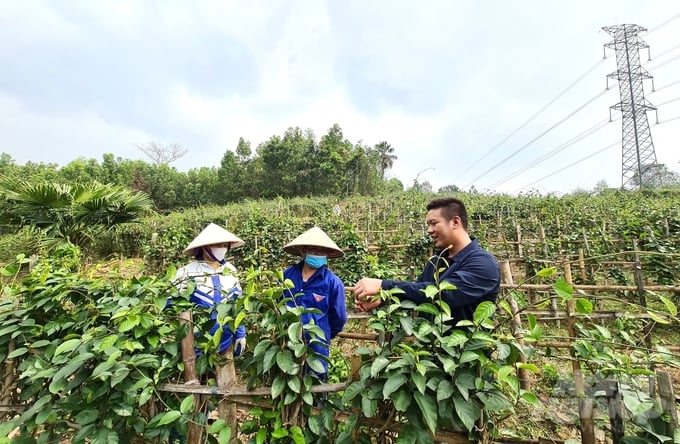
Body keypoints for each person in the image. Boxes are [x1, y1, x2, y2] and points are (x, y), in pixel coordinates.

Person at [353, 197, 500, 328]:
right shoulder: (436, 261)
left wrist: (383, 285)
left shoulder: (483, 263)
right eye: (428, 225)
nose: (429, 230)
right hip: (430, 353)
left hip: (467, 355)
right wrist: (383, 299)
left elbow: (445, 295)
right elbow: (418, 294)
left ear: (455, 222)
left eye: (434, 223)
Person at [282, 226, 347, 380]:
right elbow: (278, 305)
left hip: (316, 348)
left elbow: (339, 317)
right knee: (287, 383)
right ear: (303, 251)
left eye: (321, 251)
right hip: (287, 344)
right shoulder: (287, 275)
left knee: (316, 387)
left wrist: (322, 334)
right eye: (313, 249)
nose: (317, 254)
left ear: (327, 255)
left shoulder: (332, 283)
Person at [172, 223, 247, 356]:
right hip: (196, 344)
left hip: (226, 341)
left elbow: (237, 304)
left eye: (225, 245)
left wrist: (240, 333)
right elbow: (172, 305)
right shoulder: (186, 272)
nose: (222, 249)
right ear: (204, 248)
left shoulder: (230, 270)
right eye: (217, 245)